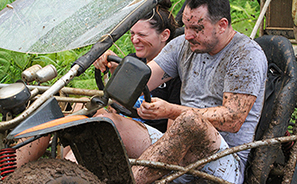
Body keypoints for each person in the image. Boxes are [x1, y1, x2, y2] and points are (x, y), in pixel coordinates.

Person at [95, 0, 268, 183]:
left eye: (196, 29)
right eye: (185, 27)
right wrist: (115, 68)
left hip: (223, 161)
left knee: (190, 122)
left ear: (222, 25)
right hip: (175, 146)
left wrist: (171, 111)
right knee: (105, 121)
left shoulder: (246, 55)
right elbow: (141, 80)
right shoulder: (182, 46)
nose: (187, 35)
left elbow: (233, 119)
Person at [93, 0, 181, 133]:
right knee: (81, 107)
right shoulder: (132, 60)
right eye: (133, 33)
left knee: (106, 122)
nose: (134, 40)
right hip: (121, 120)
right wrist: (112, 67)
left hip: (150, 133)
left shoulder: (174, 73)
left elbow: (174, 123)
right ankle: (61, 154)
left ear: (164, 35)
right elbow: (115, 105)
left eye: (142, 35)